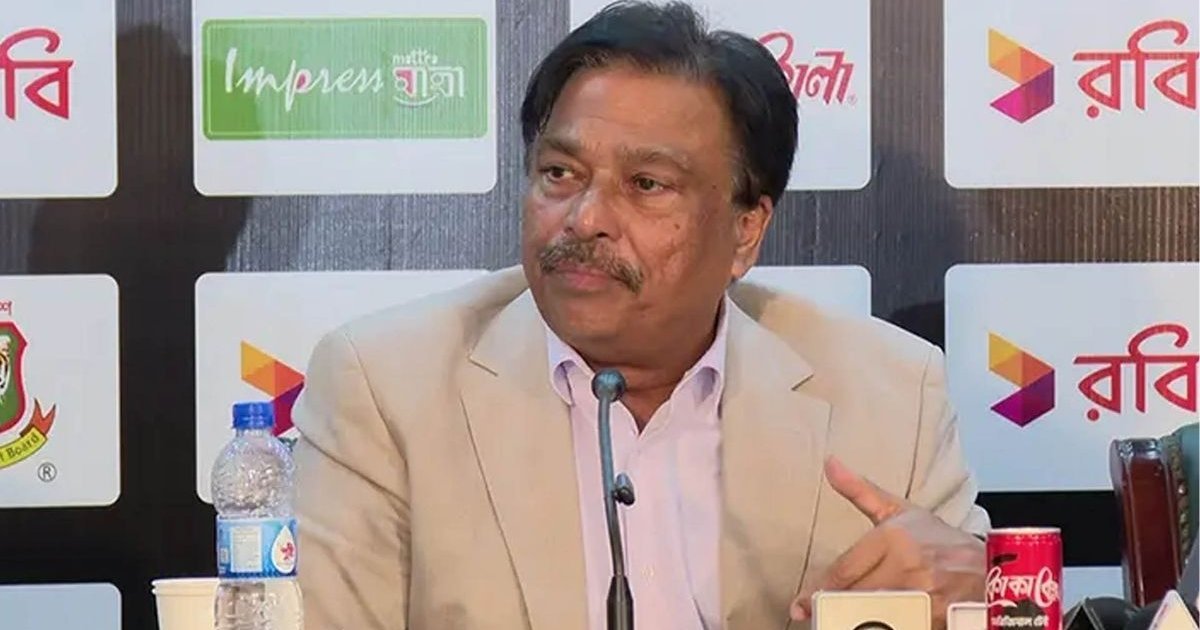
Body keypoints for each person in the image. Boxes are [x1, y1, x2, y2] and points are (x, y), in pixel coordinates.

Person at [290, 2, 991, 629]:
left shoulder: (891, 396)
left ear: (746, 231)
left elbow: (973, 592)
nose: (585, 218)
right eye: (560, 173)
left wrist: (975, 597)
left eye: (647, 184)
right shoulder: (386, 387)